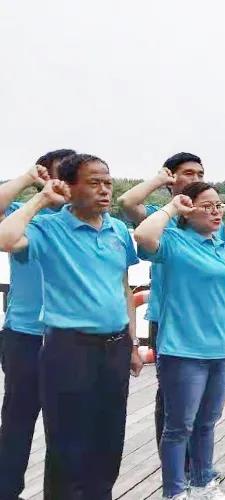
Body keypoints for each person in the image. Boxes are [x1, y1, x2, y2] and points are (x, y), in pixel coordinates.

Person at [0, 154, 143, 500]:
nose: (104, 190)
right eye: (94, 183)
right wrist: (41, 198)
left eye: (108, 182)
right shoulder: (49, 228)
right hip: (69, 348)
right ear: (69, 187)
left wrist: (132, 342)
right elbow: (6, 239)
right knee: (66, 442)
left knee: (109, 436)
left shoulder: (117, 230)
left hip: (114, 346)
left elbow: (122, 287)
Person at [134, 182, 225, 500]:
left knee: (207, 422)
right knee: (179, 426)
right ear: (188, 210)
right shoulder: (174, 242)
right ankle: (174, 491)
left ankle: (203, 483)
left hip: (218, 350)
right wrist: (171, 208)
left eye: (219, 205)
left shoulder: (221, 246)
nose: (216, 211)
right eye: (206, 206)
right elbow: (142, 236)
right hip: (182, 350)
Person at [117, 152, 225, 455]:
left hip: (206, 322)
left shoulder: (212, 218)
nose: (196, 178)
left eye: (200, 173)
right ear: (172, 178)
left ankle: (198, 467)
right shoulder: (160, 215)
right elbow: (127, 203)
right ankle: (174, 465)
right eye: (188, 173)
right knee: (170, 397)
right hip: (167, 316)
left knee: (205, 407)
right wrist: (160, 181)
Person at [0, 149, 74, 499]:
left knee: (66, 426)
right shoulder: (24, 215)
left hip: (71, 339)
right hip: (25, 335)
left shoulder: (84, 221)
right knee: (17, 421)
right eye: (63, 174)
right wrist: (30, 181)